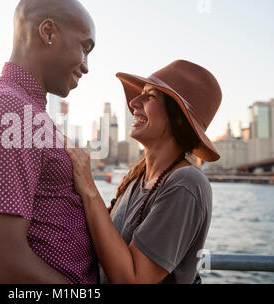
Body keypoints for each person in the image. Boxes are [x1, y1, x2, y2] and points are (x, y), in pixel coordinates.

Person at [0, 0, 97, 283]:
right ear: (48, 32)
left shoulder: (26, 110)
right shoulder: (9, 109)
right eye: (84, 47)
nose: (86, 65)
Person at [65, 59, 222, 283]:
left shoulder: (186, 183)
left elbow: (133, 280)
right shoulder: (137, 178)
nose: (134, 102)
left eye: (150, 96)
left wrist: (89, 188)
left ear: (178, 116)